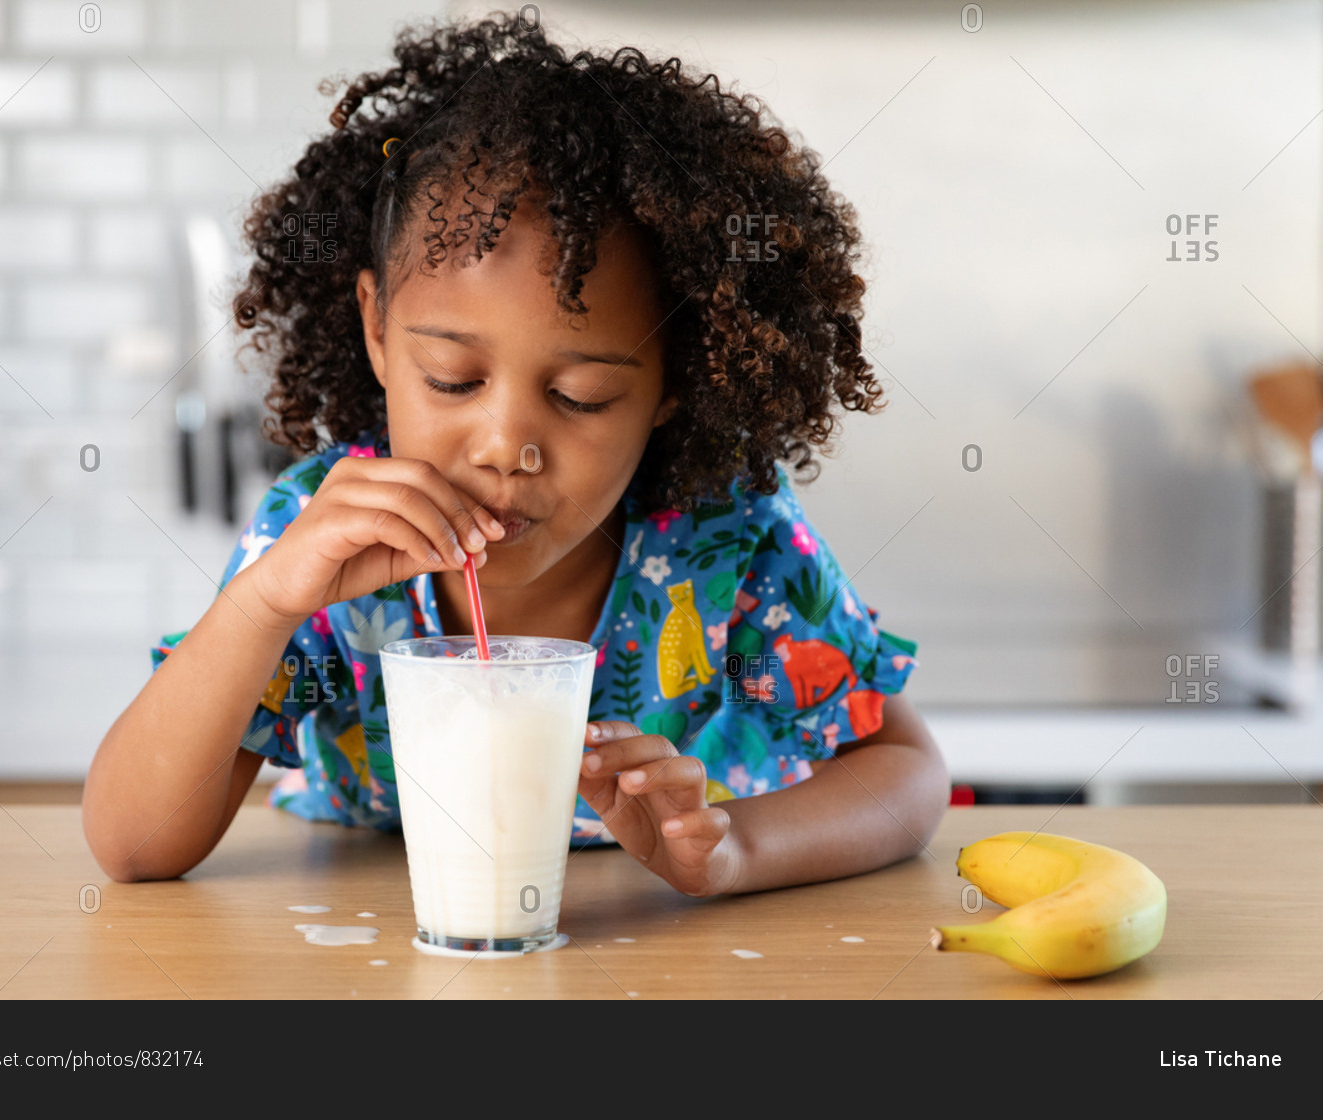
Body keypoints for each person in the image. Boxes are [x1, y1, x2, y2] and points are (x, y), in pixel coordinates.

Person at [84, 12, 949, 897]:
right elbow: (132, 843)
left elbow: (910, 774)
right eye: (454, 379)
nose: (507, 447)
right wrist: (262, 604)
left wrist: (737, 850)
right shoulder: (323, 544)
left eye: (581, 397)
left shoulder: (727, 543)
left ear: (674, 378)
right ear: (378, 331)